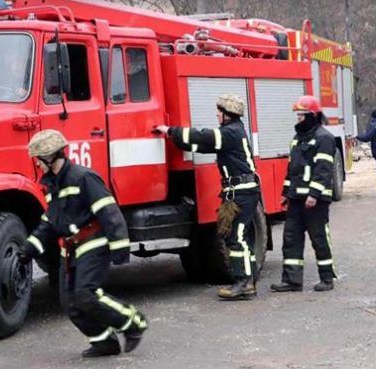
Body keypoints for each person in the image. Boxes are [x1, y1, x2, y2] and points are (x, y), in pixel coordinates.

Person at [18, 129, 147, 358]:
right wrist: (28, 248)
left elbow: (109, 211)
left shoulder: (83, 177)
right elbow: (50, 221)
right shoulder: (52, 184)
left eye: (37, 160)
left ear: (49, 157)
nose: (36, 165)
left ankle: (132, 322)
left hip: (94, 241)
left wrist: (119, 247)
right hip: (70, 248)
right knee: (70, 304)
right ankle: (104, 342)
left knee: (86, 294)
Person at [155, 94, 261, 300]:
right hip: (239, 192)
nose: (216, 114)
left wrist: (170, 131)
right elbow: (203, 145)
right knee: (237, 235)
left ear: (227, 114)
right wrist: (178, 141)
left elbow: (203, 137)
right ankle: (248, 280)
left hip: (242, 193)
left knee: (236, 236)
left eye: (219, 111)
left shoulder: (230, 133)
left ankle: (243, 283)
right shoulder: (232, 131)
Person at [270, 95, 338, 293]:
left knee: (319, 238)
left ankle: (326, 278)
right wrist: (285, 192)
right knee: (291, 238)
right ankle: (292, 280)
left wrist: (314, 194)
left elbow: (324, 170)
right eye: (297, 115)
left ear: (312, 115)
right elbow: (293, 169)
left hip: (315, 200)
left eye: (301, 115)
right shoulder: (297, 139)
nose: (298, 118)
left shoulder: (324, 138)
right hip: (296, 199)